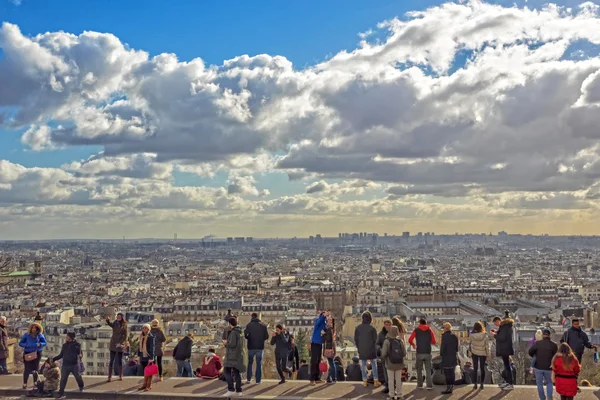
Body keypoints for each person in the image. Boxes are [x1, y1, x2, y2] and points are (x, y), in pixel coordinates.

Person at [53, 332, 84, 399]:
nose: (66, 337)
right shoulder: (64, 345)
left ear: (71, 337)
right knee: (63, 379)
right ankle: (61, 393)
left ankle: (81, 386)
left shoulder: (77, 345)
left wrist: (80, 356)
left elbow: (80, 354)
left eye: (67, 336)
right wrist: (54, 359)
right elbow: (61, 355)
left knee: (78, 377)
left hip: (74, 364)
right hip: (65, 365)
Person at [354, 311, 381, 388]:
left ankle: (364, 381)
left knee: (363, 365)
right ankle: (376, 380)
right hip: (371, 349)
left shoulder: (358, 328)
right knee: (374, 364)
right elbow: (375, 340)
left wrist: (359, 348)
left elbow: (356, 339)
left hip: (362, 348)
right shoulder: (372, 329)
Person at [529, 328, 558, 400]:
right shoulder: (554, 345)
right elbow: (556, 356)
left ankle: (542, 398)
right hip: (549, 367)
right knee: (549, 382)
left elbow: (530, 352)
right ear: (549, 335)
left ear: (542, 335)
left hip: (538, 367)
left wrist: (536, 356)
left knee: (539, 383)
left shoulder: (537, 343)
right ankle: (549, 396)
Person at [408, 318, 436, 390]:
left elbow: (410, 339)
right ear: (426, 323)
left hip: (419, 352)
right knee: (428, 369)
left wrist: (414, 345)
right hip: (427, 352)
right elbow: (434, 341)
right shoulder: (430, 330)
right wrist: (428, 342)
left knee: (419, 369)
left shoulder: (416, 330)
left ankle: (420, 385)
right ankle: (429, 385)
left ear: (419, 323)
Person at [381, 325, 406, 400]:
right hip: (399, 364)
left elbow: (383, 354)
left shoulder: (387, 341)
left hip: (390, 363)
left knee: (390, 380)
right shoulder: (400, 341)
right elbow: (404, 353)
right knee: (398, 380)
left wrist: (386, 359)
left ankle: (391, 395)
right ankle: (399, 395)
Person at [19, 322, 47, 389]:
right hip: (28, 353)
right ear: (30, 328)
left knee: (35, 368)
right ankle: (25, 383)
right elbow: (20, 343)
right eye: (32, 328)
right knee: (27, 369)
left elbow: (44, 343)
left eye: (35, 328)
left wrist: (40, 344)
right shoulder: (26, 335)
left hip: (37, 353)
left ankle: (35, 382)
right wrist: (26, 345)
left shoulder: (40, 335)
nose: (34, 329)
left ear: (38, 329)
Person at [244, 312, 269, 384]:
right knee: (259, 363)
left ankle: (249, 379)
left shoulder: (249, 325)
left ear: (252, 317)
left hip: (251, 346)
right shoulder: (263, 325)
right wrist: (261, 339)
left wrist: (249, 337)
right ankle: (258, 380)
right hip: (260, 347)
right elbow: (266, 336)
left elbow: (246, 335)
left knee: (250, 363)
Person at [492, 312, 515, 390]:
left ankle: (509, 383)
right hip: (506, 348)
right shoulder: (507, 326)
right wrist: (496, 333)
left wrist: (495, 335)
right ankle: (507, 381)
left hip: (504, 349)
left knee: (507, 366)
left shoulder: (505, 327)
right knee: (507, 366)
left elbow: (502, 338)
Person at [223, 317, 245, 396]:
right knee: (236, 372)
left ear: (230, 323)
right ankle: (239, 390)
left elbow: (232, 344)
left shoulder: (233, 332)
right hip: (239, 355)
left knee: (226, 371)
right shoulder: (240, 331)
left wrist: (226, 343)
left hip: (232, 356)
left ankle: (231, 389)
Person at [106, 313, 128, 382]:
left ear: (122, 318)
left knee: (119, 361)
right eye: (117, 316)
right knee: (111, 360)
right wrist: (108, 321)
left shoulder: (124, 325)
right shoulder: (115, 323)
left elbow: (125, 335)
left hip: (119, 344)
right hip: (113, 343)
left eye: (119, 317)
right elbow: (111, 325)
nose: (118, 318)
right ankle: (109, 376)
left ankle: (120, 375)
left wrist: (120, 342)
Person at [469, 321, 490, 390]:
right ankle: (481, 383)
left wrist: (470, 353)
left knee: (475, 368)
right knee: (482, 368)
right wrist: (488, 354)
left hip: (474, 352)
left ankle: (475, 384)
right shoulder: (485, 335)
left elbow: (470, 345)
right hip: (482, 352)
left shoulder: (471, 335)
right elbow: (487, 346)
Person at [439, 323, 459, 395]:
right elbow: (457, 348)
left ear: (446, 328)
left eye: (443, 328)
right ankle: (451, 387)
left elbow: (443, 347)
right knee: (452, 372)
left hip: (446, 357)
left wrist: (441, 354)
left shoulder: (444, 337)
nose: (443, 329)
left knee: (447, 373)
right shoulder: (455, 336)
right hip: (453, 356)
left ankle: (448, 387)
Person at [310, 311, 329, 386]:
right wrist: (323, 315)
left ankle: (317, 377)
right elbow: (318, 321)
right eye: (324, 316)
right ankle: (312, 378)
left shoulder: (324, 323)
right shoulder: (318, 321)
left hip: (319, 343)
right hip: (315, 343)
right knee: (314, 361)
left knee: (318, 360)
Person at [137, 324, 156, 391]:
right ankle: (144, 385)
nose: (144, 329)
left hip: (148, 357)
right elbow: (139, 347)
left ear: (149, 329)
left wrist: (151, 358)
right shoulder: (141, 336)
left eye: (146, 328)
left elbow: (152, 348)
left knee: (149, 372)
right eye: (143, 328)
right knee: (145, 371)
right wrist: (138, 355)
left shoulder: (151, 337)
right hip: (142, 356)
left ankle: (149, 385)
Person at [378, 320, 392, 394]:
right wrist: (380, 350)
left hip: (393, 357)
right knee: (385, 372)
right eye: (386, 325)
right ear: (384, 325)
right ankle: (387, 386)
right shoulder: (380, 334)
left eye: (389, 325)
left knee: (393, 373)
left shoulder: (394, 333)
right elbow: (377, 344)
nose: (388, 326)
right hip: (384, 357)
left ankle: (392, 387)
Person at [323, 316, 337, 383]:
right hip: (332, 347)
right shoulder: (333, 328)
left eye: (329, 320)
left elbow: (328, 339)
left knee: (331, 363)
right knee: (331, 363)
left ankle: (333, 378)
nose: (328, 321)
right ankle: (330, 378)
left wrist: (323, 334)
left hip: (329, 347)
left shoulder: (329, 329)